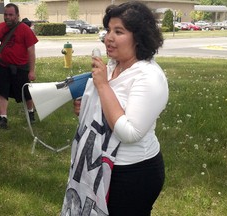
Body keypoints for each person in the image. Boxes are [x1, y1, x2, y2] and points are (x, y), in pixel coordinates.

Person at [61, 1, 168, 216]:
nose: (108, 38)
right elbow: (110, 109)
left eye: (118, 31)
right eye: (108, 30)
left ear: (139, 37)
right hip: (98, 165)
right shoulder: (114, 66)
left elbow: (130, 132)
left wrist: (101, 85)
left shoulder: (148, 76)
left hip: (133, 173)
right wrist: (88, 108)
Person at [0, 3, 38, 129]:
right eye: (5, 15)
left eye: (11, 15)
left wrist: (32, 71)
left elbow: (31, 52)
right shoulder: (1, 27)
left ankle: (30, 113)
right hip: (3, 66)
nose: (7, 17)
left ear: (17, 15)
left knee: (26, 93)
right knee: (2, 91)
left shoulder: (25, 30)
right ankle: (3, 119)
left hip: (20, 68)